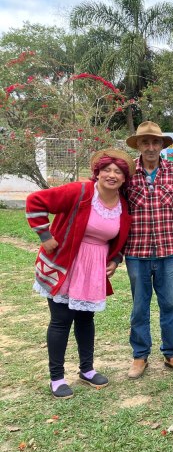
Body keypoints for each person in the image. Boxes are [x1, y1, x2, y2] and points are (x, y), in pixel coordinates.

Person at [26, 149, 134, 398]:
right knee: (61, 320)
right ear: (97, 172)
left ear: (124, 178)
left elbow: (120, 237)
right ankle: (57, 378)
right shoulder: (81, 192)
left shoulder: (122, 205)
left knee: (86, 320)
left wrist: (116, 259)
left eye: (118, 172)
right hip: (66, 263)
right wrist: (45, 236)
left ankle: (86, 369)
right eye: (107, 169)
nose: (111, 175)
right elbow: (36, 200)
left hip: (93, 268)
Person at [125, 121, 173, 379]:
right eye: (145, 142)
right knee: (140, 306)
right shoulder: (128, 171)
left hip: (168, 251)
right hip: (136, 251)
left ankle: (172, 353)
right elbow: (120, 211)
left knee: (169, 304)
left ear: (162, 146)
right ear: (139, 145)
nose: (151, 147)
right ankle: (140, 356)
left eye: (155, 142)